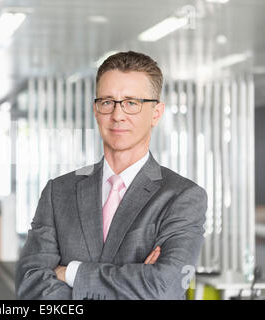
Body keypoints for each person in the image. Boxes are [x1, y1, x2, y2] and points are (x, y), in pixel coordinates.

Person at [15, 51, 207, 300]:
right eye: (107, 102)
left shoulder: (182, 196)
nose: (117, 115)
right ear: (96, 109)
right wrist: (136, 281)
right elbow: (30, 283)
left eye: (131, 103)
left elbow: (164, 288)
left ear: (156, 113)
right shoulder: (59, 191)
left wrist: (70, 272)